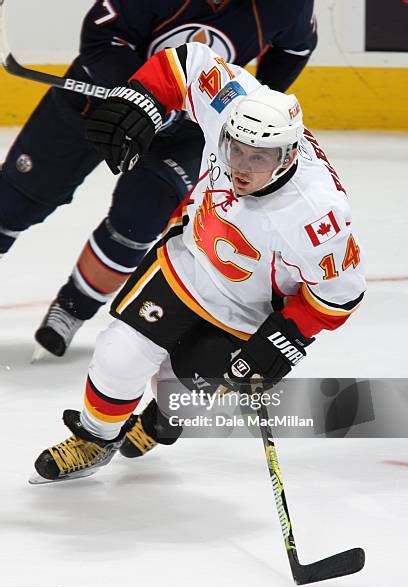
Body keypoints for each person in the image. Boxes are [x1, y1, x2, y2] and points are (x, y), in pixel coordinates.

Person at [32, 41, 365, 482]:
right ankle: (95, 439)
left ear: (287, 156)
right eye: (236, 149)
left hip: (247, 310)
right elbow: (186, 63)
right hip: (186, 263)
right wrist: (142, 99)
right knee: (118, 356)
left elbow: (340, 295)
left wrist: (282, 342)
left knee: (181, 390)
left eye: (259, 158)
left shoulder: (317, 216)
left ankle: (163, 419)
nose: (241, 167)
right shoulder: (234, 104)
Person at [0, 0, 317, 357]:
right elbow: (102, 38)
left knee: (137, 222)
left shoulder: (288, 5)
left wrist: (250, 101)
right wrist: (144, 98)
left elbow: (295, 48)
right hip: (99, 98)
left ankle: (72, 309)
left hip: (187, 128)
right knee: (12, 203)